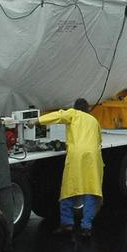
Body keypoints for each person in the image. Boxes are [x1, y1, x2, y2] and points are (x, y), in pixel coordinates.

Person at [37, 99, 103, 237]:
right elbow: (99, 140)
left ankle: (67, 224)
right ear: (87, 109)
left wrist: (37, 121)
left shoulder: (74, 114)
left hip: (77, 155)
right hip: (93, 157)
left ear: (76, 108)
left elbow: (59, 115)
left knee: (68, 188)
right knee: (90, 190)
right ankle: (86, 227)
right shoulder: (93, 120)